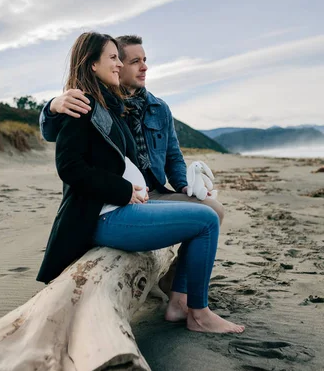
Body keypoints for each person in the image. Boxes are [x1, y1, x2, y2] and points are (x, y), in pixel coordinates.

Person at [37, 31, 244, 334]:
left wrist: (186, 185)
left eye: (138, 60)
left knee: (211, 211)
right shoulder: (81, 104)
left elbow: (171, 156)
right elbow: (68, 162)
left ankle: (180, 296)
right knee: (207, 221)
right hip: (111, 209)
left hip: (140, 198)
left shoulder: (119, 105)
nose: (127, 66)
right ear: (93, 64)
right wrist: (52, 105)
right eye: (120, 59)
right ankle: (198, 313)